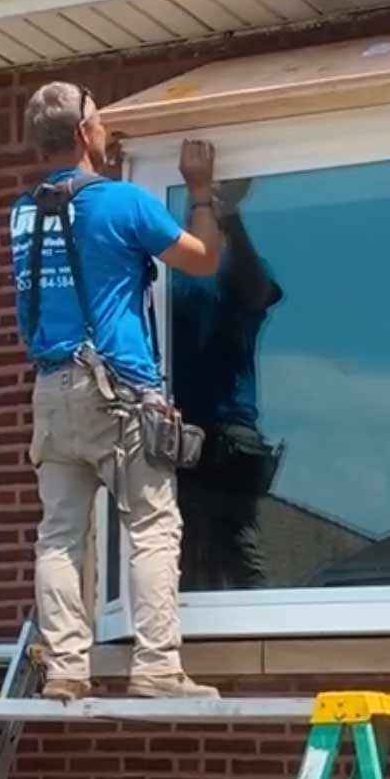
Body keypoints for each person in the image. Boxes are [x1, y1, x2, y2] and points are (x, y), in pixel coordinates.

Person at [11, 81, 225, 702]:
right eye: (99, 121)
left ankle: (66, 670)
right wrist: (201, 190)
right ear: (82, 133)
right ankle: (157, 667)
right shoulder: (124, 203)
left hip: (51, 392)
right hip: (119, 390)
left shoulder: (23, 213)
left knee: (58, 535)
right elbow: (203, 260)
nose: (105, 128)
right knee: (153, 526)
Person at [172, 178, 284, 592]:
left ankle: (259, 638)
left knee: (233, 546)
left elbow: (256, 292)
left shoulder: (232, 271)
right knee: (182, 553)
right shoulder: (173, 278)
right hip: (179, 436)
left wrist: (230, 217)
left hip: (227, 435)